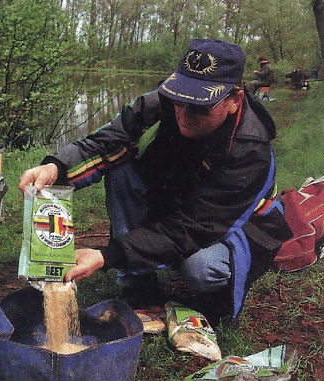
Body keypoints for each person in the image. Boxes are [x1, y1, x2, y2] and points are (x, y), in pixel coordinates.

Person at [19, 39, 292, 327]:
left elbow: (192, 228)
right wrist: (56, 167)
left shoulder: (250, 152)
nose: (184, 114)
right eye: (179, 100)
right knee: (121, 169)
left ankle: (218, 294)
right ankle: (139, 285)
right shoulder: (166, 101)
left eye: (201, 107)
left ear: (234, 101)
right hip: (185, 200)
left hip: (236, 226)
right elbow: (107, 141)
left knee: (199, 269)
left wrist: (107, 256)